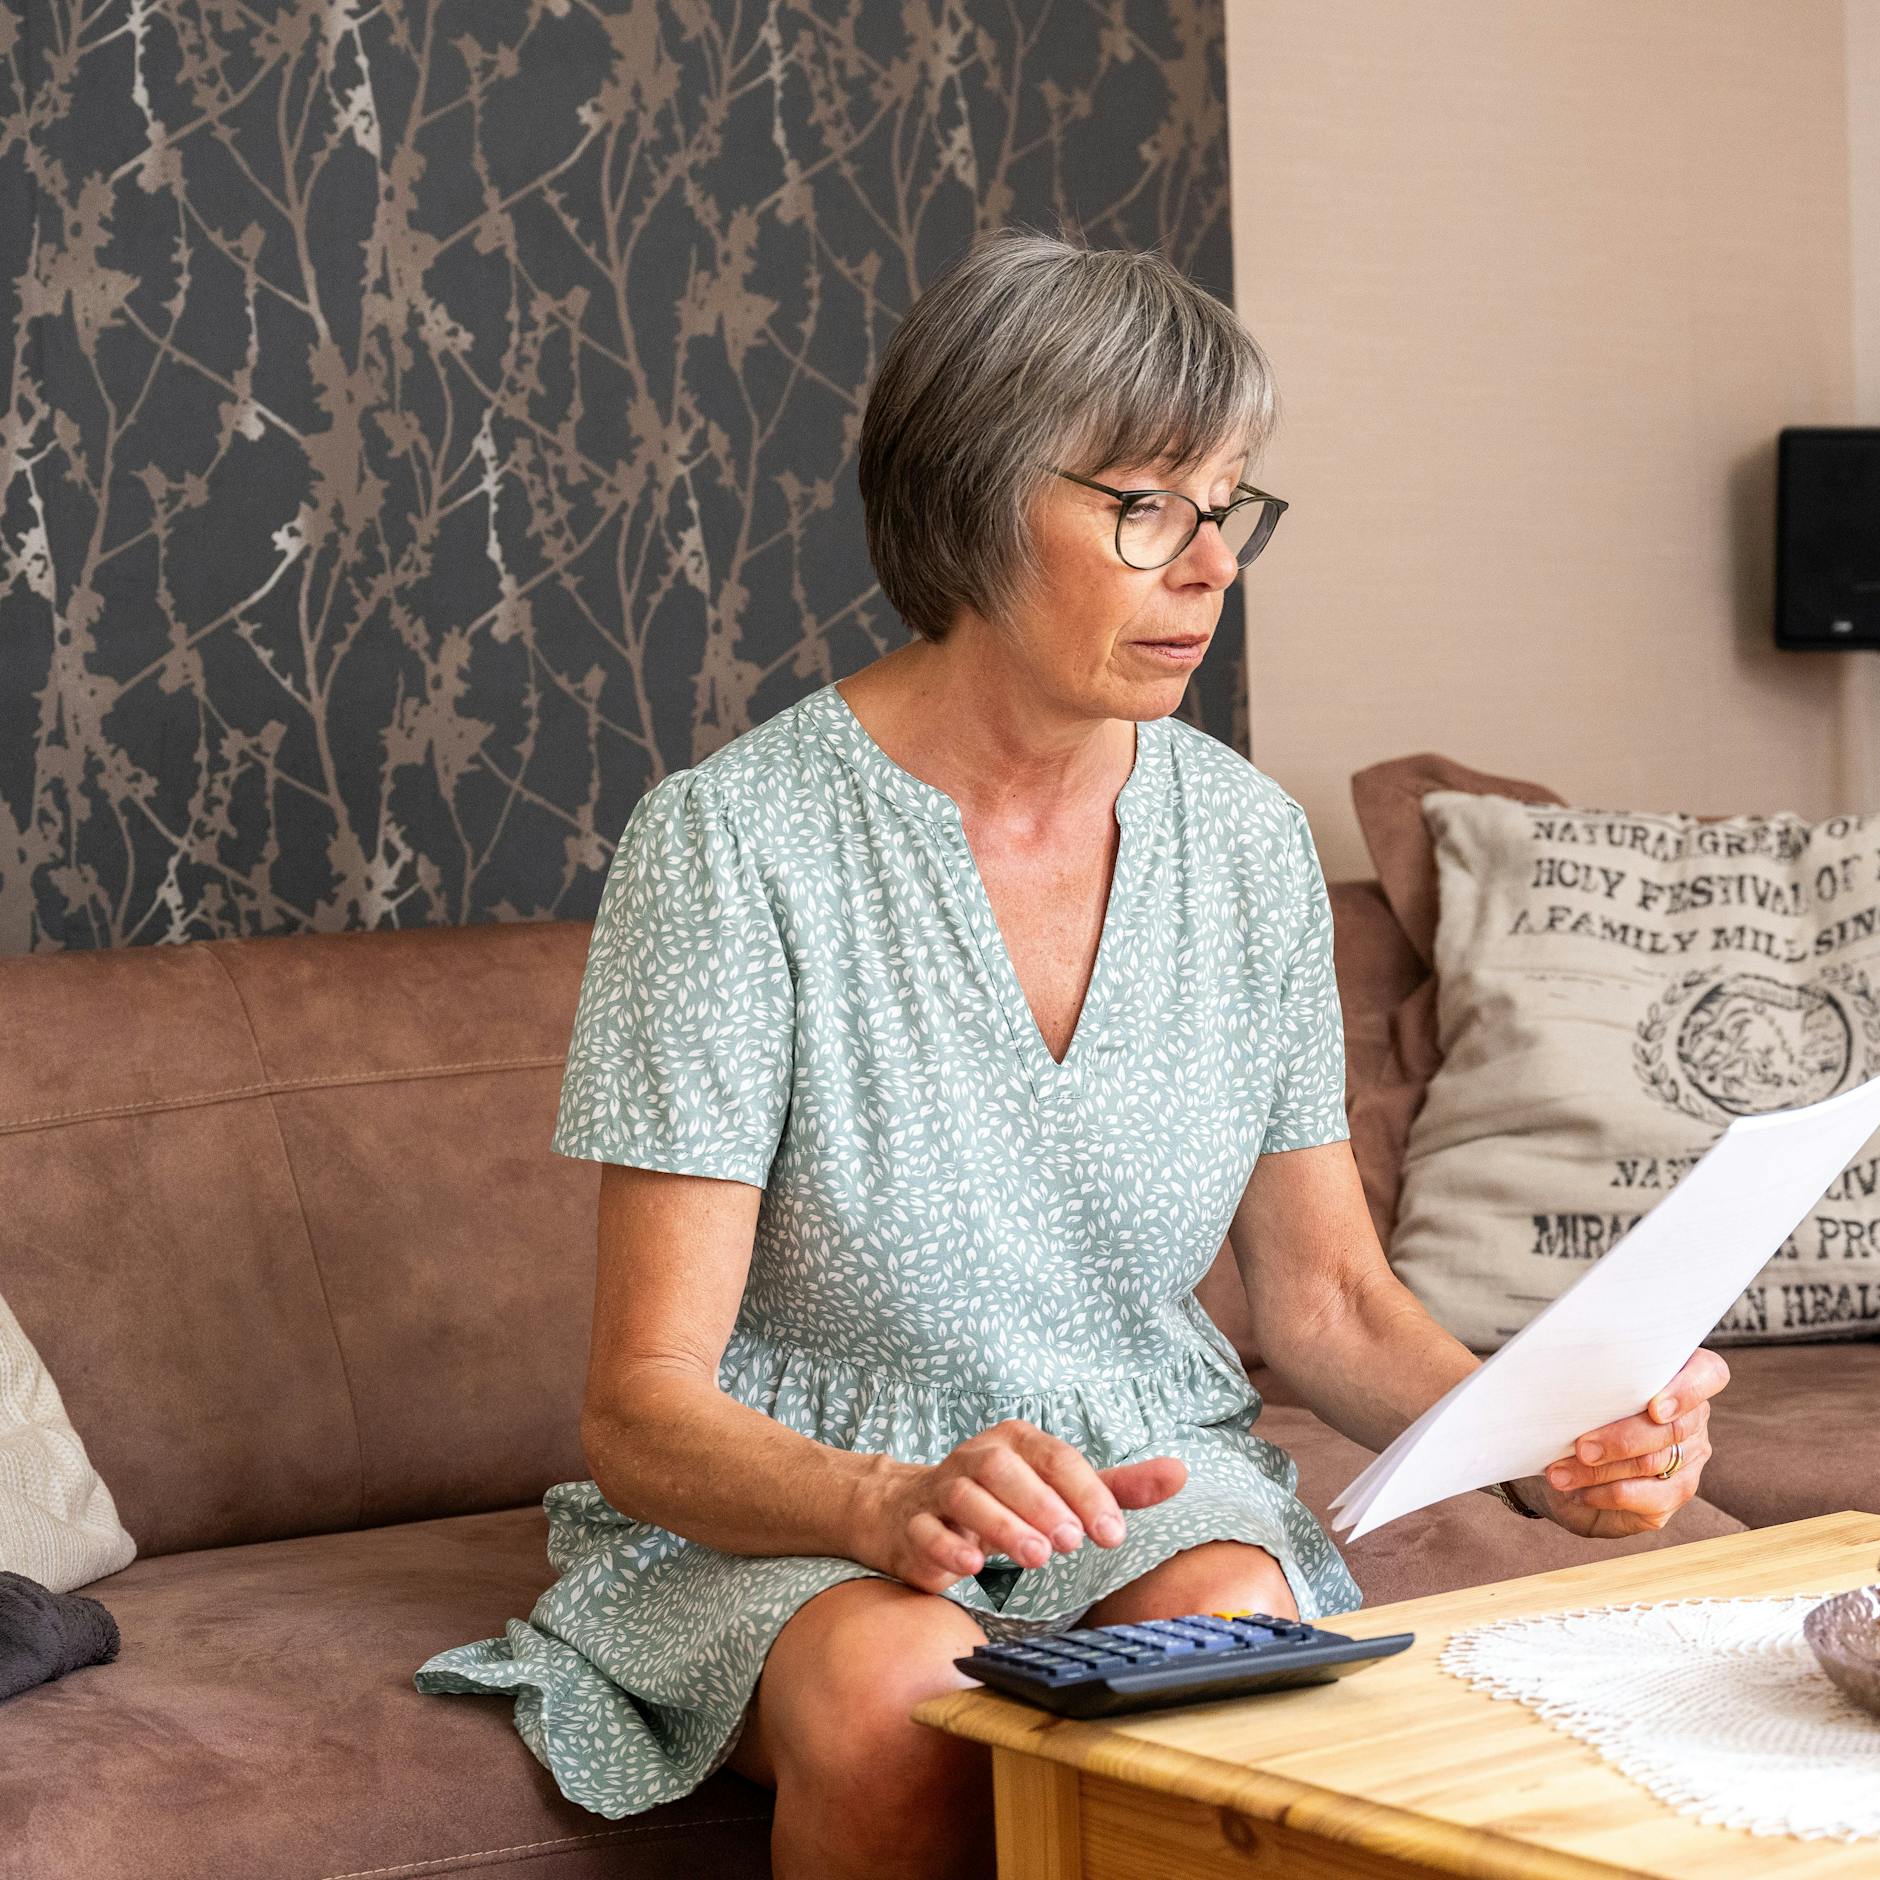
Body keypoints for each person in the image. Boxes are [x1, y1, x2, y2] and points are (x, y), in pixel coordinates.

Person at [413, 229, 1730, 1880]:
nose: (1208, 567)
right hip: (801, 1509)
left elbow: (1324, 1297)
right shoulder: (732, 847)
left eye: (1228, 505)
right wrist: (882, 1508)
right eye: (1142, 506)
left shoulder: (1243, 844)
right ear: (970, 504)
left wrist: (1556, 1445)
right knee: (907, 1703)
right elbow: (643, 1408)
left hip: (1137, 1480)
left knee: (1233, 1652)